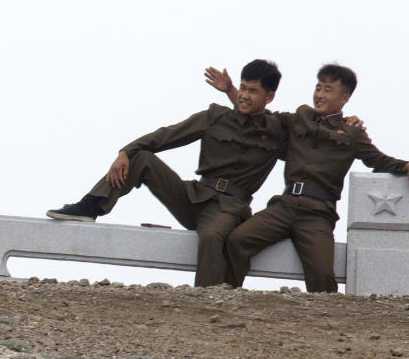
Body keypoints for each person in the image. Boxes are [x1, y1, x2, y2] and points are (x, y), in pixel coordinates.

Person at [46, 60, 287, 287]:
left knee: (213, 237)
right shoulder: (215, 116)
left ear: (270, 96)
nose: (244, 95)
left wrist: (231, 92)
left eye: (253, 91)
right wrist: (126, 151)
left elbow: (303, 139)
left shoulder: (277, 130)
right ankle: (90, 207)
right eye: (242, 88)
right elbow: (167, 135)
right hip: (193, 196)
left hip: (228, 208)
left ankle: (208, 300)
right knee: (142, 158)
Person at [209, 63, 409, 292]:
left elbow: (378, 160)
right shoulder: (296, 120)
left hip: (317, 214)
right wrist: (230, 91)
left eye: (327, 90)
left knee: (322, 274)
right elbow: (259, 115)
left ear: (344, 98)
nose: (320, 95)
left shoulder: (352, 134)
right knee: (237, 239)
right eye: (318, 88)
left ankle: (325, 324)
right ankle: (228, 297)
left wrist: (408, 166)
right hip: (283, 207)